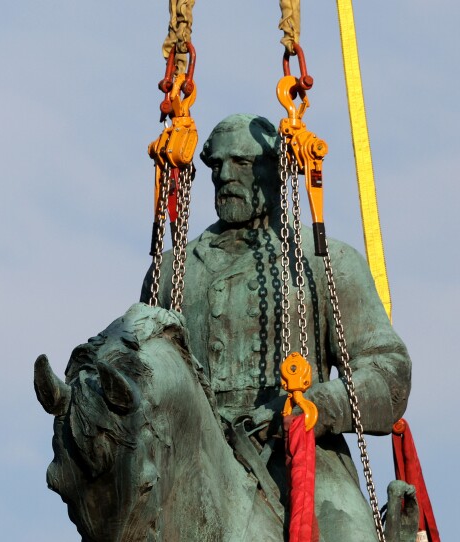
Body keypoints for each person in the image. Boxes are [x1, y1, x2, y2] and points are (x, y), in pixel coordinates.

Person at [141, 114, 412, 540]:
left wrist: (322, 405)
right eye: (217, 166)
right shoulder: (174, 270)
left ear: (276, 170)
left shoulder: (325, 260)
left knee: (348, 534)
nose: (226, 175)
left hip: (303, 457)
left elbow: (389, 371)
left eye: (243, 163)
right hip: (196, 463)